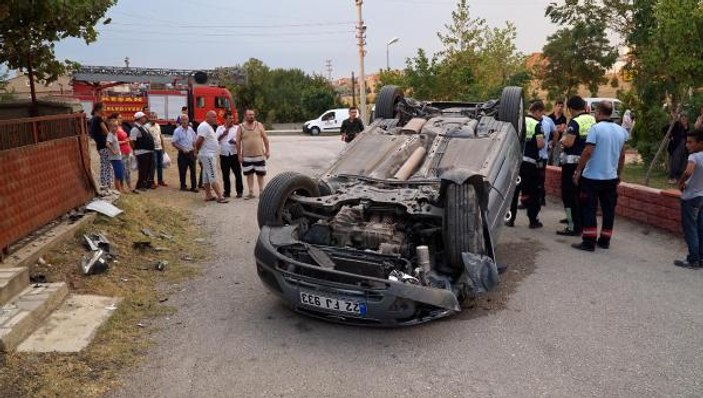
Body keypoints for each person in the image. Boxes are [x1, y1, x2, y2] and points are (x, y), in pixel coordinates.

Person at [571, 102, 628, 252]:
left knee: (588, 208)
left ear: (598, 112)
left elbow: (587, 151)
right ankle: (605, 240)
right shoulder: (621, 131)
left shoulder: (595, 129)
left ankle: (589, 241)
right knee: (608, 209)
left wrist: (578, 171)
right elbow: (622, 156)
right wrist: (619, 174)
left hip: (592, 177)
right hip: (611, 177)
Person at [557, 96, 596, 236]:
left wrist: (562, 140)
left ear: (571, 109)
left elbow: (569, 143)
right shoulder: (591, 119)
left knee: (568, 194)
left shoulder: (574, 122)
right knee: (581, 193)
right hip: (586, 162)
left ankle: (572, 225)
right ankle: (581, 221)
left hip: (571, 164)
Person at [506, 101, 545, 228]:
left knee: (514, 192)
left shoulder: (519, 121)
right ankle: (533, 221)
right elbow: (540, 144)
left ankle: (510, 219)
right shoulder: (537, 124)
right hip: (530, 163)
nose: (542, 116)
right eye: (541, 113)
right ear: (537, 111)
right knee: (534, 192)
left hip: (516, 162)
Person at [674, 128, 703, 268]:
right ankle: (701, 257)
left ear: (701, 143)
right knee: (700, 227)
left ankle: (693, 259)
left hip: (691, 197)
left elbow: (688, 171)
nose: (687, 145)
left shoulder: (694, 157)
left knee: (690, 228)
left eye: (691, 142)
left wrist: (681, 182)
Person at [236, 109, 270, 199]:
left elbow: (265, 139)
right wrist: (239, 155)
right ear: (245, 116)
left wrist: (267, 151)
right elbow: (238, 142)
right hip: (246, 156)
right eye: (249, 115)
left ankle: (261, 192)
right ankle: (251, 192)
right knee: (249, 175)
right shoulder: (240, 127)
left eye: (252, 115)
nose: (251, 116)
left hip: (259, 155)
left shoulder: (259, 125)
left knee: (260, 174)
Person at [195, 110, 228, 203]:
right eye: (213, 117)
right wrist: (197, 151)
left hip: (208, 154)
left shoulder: (208, 126)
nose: (215, 118)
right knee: (213, 175)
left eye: (215, 117)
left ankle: (208, 195)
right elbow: (199, 141)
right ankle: (220, 196)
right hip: (208, 155)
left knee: (206, 175)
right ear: (207, 117)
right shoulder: (204, 126)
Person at [217, 113, 243, 198]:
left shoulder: (237, 128)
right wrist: (223, 134)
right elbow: (216, 140)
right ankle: (227, 192)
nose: (232, 120)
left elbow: (240, 139)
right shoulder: (220, 128)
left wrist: (235, 141)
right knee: (225, 174)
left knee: (237, 174)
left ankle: (239, 192)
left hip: (234, 154)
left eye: (232, 118)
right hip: (224, 155)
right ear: (225, 119)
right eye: (230, 118)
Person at [89, 102, 113, 193]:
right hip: (104, 144)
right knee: (107, 165)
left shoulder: (93, 119)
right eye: (104, 108)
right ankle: (107, 184)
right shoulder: (98, 119)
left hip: (99, 145)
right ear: (99, 109)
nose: (105, 110)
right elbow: (107, 132)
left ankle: (105, 184)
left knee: (104, 164)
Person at [129, 111, 155, 191]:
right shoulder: (135, 129)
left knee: (148, 169)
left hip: (148, 151)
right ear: (139, 119)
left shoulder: (143, 127)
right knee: (143, 169)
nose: (145, 119)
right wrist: (134, 149)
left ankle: (146, 184)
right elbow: (132, 140)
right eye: (144, 117)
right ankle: (140, 185)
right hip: (141, 152)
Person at [172, 114, 198, 192]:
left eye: (186, 119)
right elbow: (174, 143)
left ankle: (194, 187)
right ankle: (183, 186)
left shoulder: (191, 129)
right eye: (182, 119)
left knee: (193, 170)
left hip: (191, 152)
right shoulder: (177, 131)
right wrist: (182, 148)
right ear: (180, 121)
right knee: (182, 170)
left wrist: (195, 151)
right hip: (182, 154)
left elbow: (194, 141)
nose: (184, 121)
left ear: (188, 120)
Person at [666, 111, 690, 184]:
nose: (684, 118)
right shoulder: (676, 124)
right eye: (682, 117)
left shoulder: (687, 125)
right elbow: (665, 129)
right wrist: (670, 137)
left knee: (683, 162)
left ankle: (679, 178)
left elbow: (687, 135)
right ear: (680, 118)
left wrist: (686, 128)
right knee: (675, 161)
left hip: (684, 146)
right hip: (676, 146)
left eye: (685, 117)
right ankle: (672, 177)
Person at [113, 113, 135, 193]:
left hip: (127, 150)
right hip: (121, 151)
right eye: (119, 118)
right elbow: (114, 141)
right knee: (122, 170)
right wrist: (124, 141)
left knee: (128, 170)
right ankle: (122, 187)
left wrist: (127, 140)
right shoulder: (114, 129)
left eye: (121, 118)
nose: (121, 119)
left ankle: (129, 186)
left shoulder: (121, 127)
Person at [539, 109, 556, 206]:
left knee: (537, 178)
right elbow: (556, 133)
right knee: (540, 178)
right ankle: (541, 199)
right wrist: (552, 145)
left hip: (539, 155)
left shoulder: (546, 121)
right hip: (542, 156)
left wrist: (552, 145)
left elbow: (556, 133)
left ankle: (540, 199)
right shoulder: (548, 120)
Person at [105, 117, 126, 193]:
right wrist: (113, 150)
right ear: (109, 127)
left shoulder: (115, 134)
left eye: (117, 126)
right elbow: (107, 144)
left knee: (120, 173)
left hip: (118, 157)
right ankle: (118, 190)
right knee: (118, 174)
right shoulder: (110, 134)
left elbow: (116, 143)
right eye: (114, 126)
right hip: (114, 158)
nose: (116, 128)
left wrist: (124, 141)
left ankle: (119, 189)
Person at [148, 112, 167, 188]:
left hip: (159, 148)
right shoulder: (147, 127)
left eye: (155, 117)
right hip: (153, 149)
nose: (153, 119)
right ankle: (151, 181)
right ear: (149, 118)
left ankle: (160, 180)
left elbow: (160, 136)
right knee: (153, 166)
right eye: (152, 117)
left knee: (160, 165)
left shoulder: (158, 126)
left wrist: (163, 147)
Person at [549, 100, 567, 166]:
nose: (560, 108)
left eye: (562, 106)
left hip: (558, 141)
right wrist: (557, 127)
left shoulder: (563, 118)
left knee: (555, 159)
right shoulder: (550, 117)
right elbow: (549, 129)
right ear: (555, 107)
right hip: (550, 140)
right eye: (558, 106)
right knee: (548, 157)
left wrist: (553, 127)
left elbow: (562, 129)